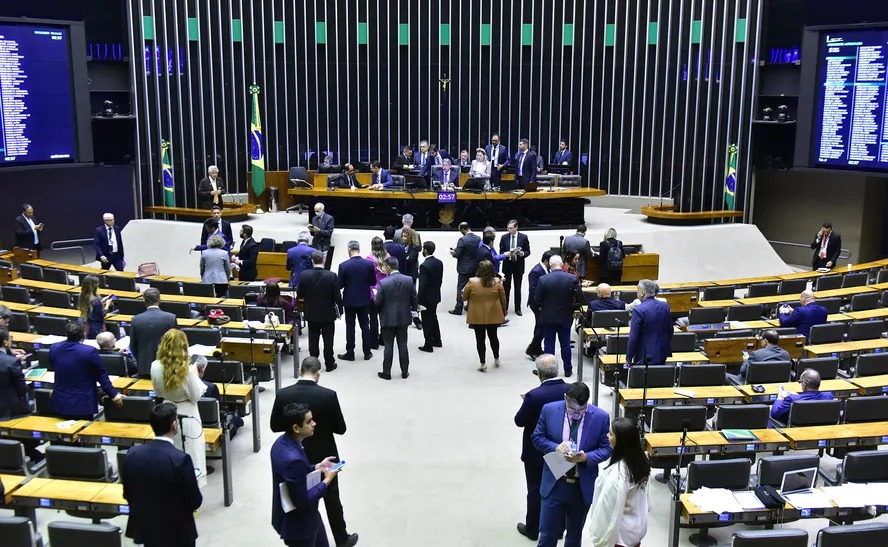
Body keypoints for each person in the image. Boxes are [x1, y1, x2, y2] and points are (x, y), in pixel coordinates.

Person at [270, 357, 358, 547]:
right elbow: (341, 428)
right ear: (318, 374)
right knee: (331, 498)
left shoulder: (283, 394)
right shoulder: (328, 395)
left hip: (300, 452)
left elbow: (274, 425)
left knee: (298, 496)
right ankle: (341, 538)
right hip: (323, 450)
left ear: (301, 370)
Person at [532, 382, 612, 547]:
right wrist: (554, 447)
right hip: (554, 483)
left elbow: (606, 449)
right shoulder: (549, 410)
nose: (576, 414)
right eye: (572, 409)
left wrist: (586, 457)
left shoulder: (600, 417)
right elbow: (537, 437)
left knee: (574, 539)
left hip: (580, 487)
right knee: (547, 536)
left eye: (581, 411)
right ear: (565, 399)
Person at [122, 402, 203, 547]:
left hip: (145, 529)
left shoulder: (132, 454)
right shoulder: (181, 459)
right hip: (177, 532)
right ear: (173, 425)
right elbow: (195, 501)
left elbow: (128, 494)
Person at [514, 355, 568, 541]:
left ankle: (532, 529)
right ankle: (559, 528)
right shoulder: (570, 390)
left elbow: (519, 421)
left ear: (539, 374)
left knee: (536, 489)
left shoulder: (534, 396)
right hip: (563, 449)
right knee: (559, 488)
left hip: (536, 451)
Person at [271, 402, 341, 547]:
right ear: (296, 428)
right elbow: (302, 501)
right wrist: (327, 480)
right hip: (300, 528)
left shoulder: (281, 443)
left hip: (310, 517)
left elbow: (294, 474)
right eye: (309, 422)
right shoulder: (293, 459)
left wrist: (317, 466)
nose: (314, 424)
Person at [151, 329, 208, 486]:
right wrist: (197, 376)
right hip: (187, 412)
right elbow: (195, 396)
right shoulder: (187, 370)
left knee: (171, 452)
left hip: (166, 409)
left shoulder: (155, 366)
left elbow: (157, 391)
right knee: (191, 453)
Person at [587, 417, 651, 547]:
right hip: (635, 531)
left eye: (610, 434)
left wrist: (601, 539)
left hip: (619, 538)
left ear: (621, 441)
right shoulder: (642, 462)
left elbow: (609, 511)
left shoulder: (618, 474)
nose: (607, 436)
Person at [50, 321, 122, 419]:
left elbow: (56, 368)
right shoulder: (89, 351)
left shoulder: (54, 348)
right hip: (82, 402)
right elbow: (101, 375)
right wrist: (113, 394)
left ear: (66, 334)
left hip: (61, 399)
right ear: (83, 334)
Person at [0, 327, 44, 465]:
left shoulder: (10, 360)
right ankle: (35, 456)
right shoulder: (11, 362)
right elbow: (22, 389)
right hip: (13, 410)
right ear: (5, 342)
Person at [535, 255, 582, 377]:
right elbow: (581, 297)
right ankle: (568, 369)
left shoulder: (543, 279)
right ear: (561, 264)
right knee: (565, 344)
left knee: (549, 344)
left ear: (550, 265)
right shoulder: (572, 278)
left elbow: (537, 299)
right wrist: (573, 306)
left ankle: (547, 371)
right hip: (565, 315)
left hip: (548, 316)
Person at [374, 256, 416, 380]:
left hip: (388, 318)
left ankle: (386, 372)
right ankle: (404, 371)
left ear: (388, 267)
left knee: (388, 346)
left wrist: (375, 293)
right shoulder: (408, 280)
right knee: (403, 345)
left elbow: (377, 301)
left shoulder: (383, 282)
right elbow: (414, 298)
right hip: (404, 317)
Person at [300, 250, 342, 371]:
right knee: (328, 339)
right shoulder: (331, 275)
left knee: (313, 339)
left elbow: (300, 293)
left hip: (311, 312)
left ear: (312, 261)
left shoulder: (304, 275)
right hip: (328, 313)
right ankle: (329, 363)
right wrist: (340, 309)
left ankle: (313, 364)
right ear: (323, 260)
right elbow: (337, 295)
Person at [462, 260, 507, 372]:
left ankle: (483, 363)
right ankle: (496, 358)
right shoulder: (497, 283)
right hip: (493, 314)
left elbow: (464, 297)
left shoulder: (472, 282)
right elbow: (503, 299)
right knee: (493, 337)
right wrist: (504, 311)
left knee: (480, 339)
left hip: (477, 315)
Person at [337, 241, 376, 362]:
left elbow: (340, 284)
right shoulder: (368, 264)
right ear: (359, 249)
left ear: (349, 250)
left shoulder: (343, 265)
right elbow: (373, 282)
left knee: (350, 326)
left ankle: (350, 352)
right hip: (364, 299)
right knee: (365, 325)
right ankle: (367, 352)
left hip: (349, 300)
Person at [130, 288, 177, 378]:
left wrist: (141, 361)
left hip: (144, 367)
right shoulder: (171, 318)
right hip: (166, 366)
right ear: (159, 300)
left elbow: (133, 346)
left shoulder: (136, 319)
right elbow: (175, 344)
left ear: (144, 300)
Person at [626, 279, 673, 368]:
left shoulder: (639, 310)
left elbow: (634, 336)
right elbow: (670, 329)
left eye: (637, 291)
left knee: (644, 380)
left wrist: (629, 357)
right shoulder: (665, 306)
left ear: (642, 293)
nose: (637, 293)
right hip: (662, 350)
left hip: (644, 354)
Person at [770, 368, 835, 423]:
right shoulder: (829, 396)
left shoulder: (791, 399)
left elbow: (774, 414)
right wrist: (798, 396)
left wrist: (780, 397)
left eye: (800, 382)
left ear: (804, 384)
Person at [450, 222, 481, 315]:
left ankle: (458, 308)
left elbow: (457, 254)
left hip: (464, 268)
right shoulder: (478, 238)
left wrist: (452, 252)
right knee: (473, 287)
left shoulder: (462, 240)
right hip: (475, 267)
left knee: (460, 287)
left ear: (463, 229)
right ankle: (470, 306)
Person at [526, 251, 553, 360]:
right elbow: (533, 289)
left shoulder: (546, 270)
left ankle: (536, 347)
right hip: (537, 303)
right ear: (546, 261)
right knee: (541, 326)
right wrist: (539, 304)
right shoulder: (536, 271)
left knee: (541, 326)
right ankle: (532, 348)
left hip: (543, 303)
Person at [500, 219, 531, 315]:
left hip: (518, 265)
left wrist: (521, 253)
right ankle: (504, 308)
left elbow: (528, 251)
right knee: (506, 287)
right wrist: (507, 254)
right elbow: (501, 251)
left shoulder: (523, 237)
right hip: (508, 265)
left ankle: (518, 308)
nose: (509, 230)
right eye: (508, 228)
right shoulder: (504, 237)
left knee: (518, 287)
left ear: (516, 227)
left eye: (511, 228)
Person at [366, 237, 392, 350]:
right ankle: (383, 339)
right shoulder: (388, 258)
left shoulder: (369, 259)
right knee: (384, 316)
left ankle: (373, 342)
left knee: (373, 317)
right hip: (386, 289)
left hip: (373, 290)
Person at [417, 241, 443, 353]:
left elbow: (422, 285)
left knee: (426, 320)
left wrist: (418, 300)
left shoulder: (424, 266)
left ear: (425, 250)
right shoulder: (439, 262)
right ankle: (437, 339)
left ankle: (428, 344)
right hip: (436, 294)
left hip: (426, 298)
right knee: (433, 317)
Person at [78, 274, 112, 339]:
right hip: (96, 328)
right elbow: (101, 315)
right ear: (94, 286)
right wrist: (107, 305)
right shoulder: (96, 301)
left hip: (87, 324)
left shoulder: (81, 295)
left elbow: (91, 309)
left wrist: (101, 302)